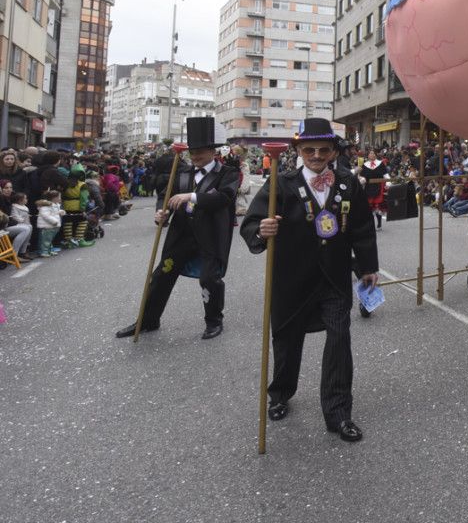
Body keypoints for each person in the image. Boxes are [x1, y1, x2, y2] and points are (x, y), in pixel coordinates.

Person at [242, 117, 380, 442]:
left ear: (333, 150)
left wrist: (368, 268)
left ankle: (338, 413)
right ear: (298, 150)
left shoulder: (348, 182)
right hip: (291, 279)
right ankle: (280, 394)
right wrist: (261, 230)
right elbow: (252, 222)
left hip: (333, 278)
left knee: (339, 339)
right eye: (309, 149)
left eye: (323, 149)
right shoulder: (281, 182)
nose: (316, 155)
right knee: (287, 341)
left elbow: (362, 228)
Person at [115, 119, 240, 341]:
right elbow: (166, 196)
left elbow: (224, 198)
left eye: (200, 151)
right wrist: (161, 214)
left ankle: (214, 322)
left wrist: (191, 196)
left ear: (212, 151)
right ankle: (147, 321)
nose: (195, 156)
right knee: (161, 275)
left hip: (210, 236)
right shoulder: (181, 173)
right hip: (181, 235)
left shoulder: (227, 173)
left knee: (210, 279)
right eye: (192, 152)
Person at [357, 149, 389, 230]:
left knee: (378, 206)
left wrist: (388, 182)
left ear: (376, 155)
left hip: (379, 186)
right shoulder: (364, 165)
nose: (372, 155)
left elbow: (385, 174)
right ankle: (370, 224)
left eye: (373, 153)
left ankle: (379, 224)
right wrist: (362, 179)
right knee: (369, 208)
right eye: (370, 153)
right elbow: (361, 176)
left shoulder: (380, 163)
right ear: (368, 155)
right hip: (368, 187)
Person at [35, 190, 63, 257]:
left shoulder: (55, 205)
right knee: (45, 240)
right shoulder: (46, 206)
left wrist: (61, 212)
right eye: (59, 197)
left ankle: (49, 250)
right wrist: (54, 221)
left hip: (52, 226)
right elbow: (46, 215)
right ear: (54, 198)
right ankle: (43, 252)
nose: (60, 198)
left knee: (49, 239)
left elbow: (55, 213)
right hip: (46, 226)